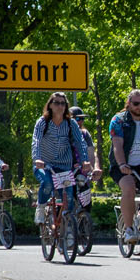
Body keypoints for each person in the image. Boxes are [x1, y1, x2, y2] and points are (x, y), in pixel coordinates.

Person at [108, 89, 140, 243]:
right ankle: (129, 229)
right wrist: (122, 164)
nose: (139, 107)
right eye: (136, 103)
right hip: (122, 165)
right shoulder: (118, 121)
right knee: (128, 187)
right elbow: (117, 145)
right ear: (128, 104)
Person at [30, 93, 88, 221]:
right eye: (56, 103)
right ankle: (41, 207)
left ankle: (67, 229)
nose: (60, 106)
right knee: (47, 183)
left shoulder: (70, 123)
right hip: (44, 165)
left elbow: (80, 143)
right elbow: (36, 141)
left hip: (64, 167)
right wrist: (37, 158)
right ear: (50, 105)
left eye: (63, 103)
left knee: (68, 197)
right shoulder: (42, 122)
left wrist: (85, 160)